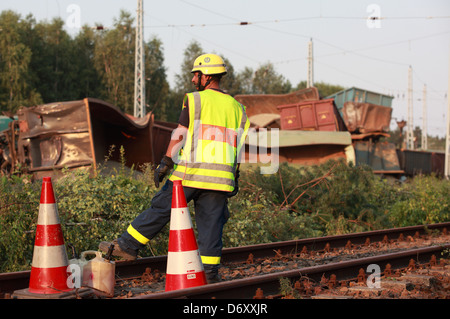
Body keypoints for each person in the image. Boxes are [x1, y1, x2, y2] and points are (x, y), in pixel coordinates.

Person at [99, 53, 250, 283]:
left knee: (160, 208)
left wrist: (167, 161)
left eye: (196, 75)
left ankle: (127, 245)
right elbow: (237, 146)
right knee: (211, 227)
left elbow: (180, 132)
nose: (193, 80)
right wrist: (234, 176)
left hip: (189, 173)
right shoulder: (238, 108)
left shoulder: (195, 100)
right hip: (220, 179)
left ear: (206, 76)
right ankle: (209, 275)